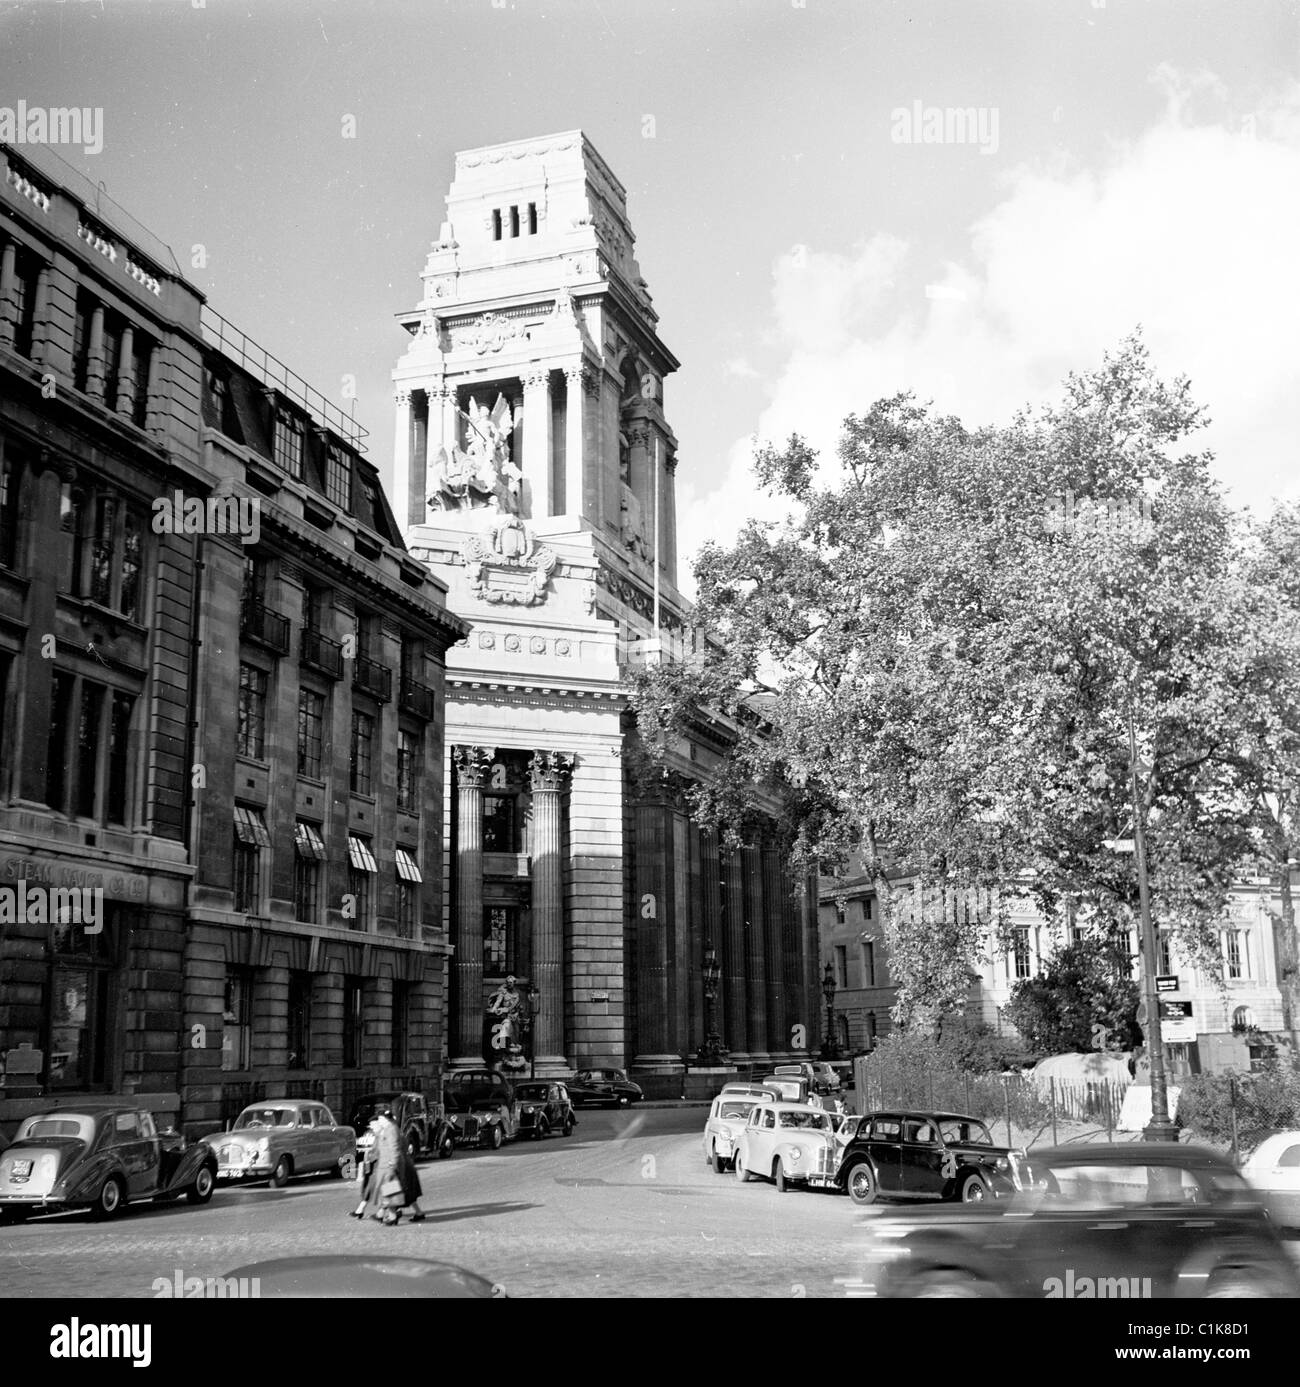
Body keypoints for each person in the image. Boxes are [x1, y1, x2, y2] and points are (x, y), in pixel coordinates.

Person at [361, 1105, 405, 1226]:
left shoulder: (391, 1129)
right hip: (383, 1166)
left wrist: (392, 1165)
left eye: (381, 1119)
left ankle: (392, 1217)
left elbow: (394, 1148)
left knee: (389, 1193)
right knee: (386, 1193)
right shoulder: (386, 1129)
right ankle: (388, 1215)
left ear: (386, 1119)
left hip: (388, 1167)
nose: (379, 1121)